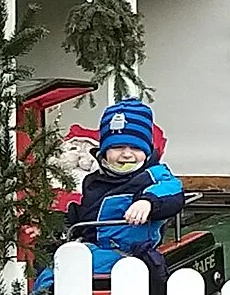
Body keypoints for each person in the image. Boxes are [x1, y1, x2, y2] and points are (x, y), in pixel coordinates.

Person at [71, 100, 185, 280]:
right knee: (51, 270)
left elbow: (172, 190)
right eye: (117, 147)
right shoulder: (94, 180)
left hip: (129, 253)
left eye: (136, 148)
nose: (126, 154)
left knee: (71, 268)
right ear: (104, 151)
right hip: (93, 247)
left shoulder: (153, 175)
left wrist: (148, 201)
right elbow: (85, 216)